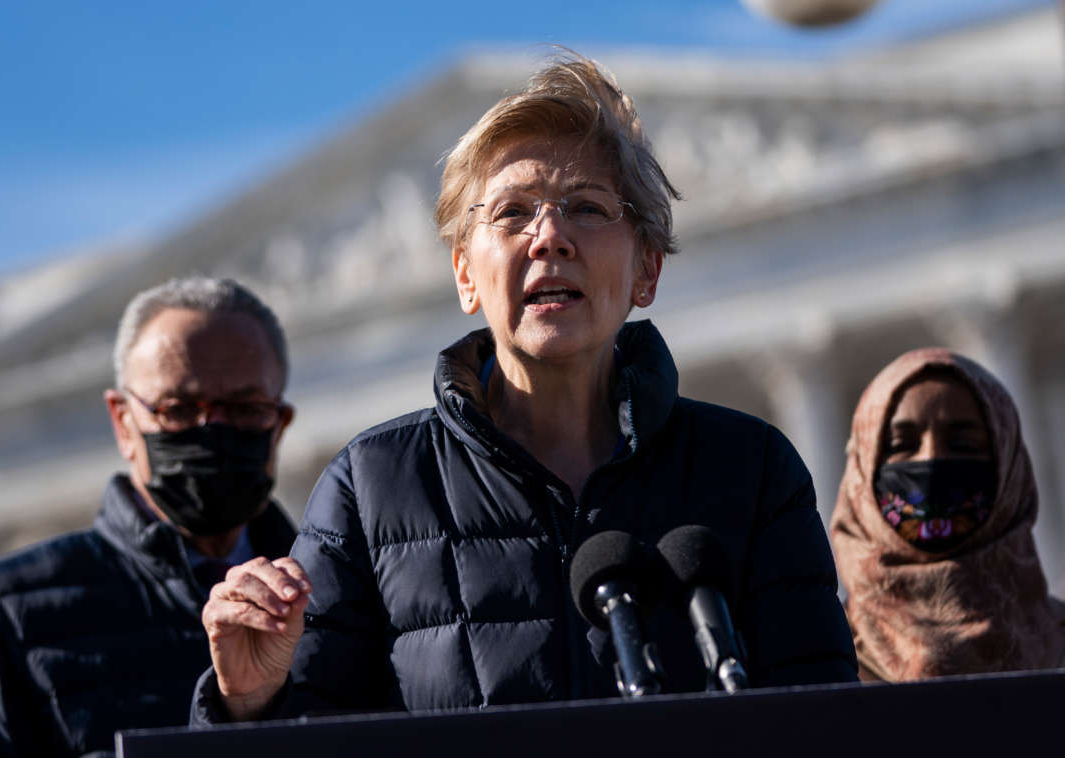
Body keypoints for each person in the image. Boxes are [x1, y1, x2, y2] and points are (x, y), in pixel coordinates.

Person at [193, 53, 857, 724]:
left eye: (588, 207)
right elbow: (308, 734)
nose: (550, 237)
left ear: (646, 271)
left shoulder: (752, 471)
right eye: (512, 213)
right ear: (465, 276)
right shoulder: (370, 489)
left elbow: (831, 726)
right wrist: (246, 703)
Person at [0, 277, 298, 757]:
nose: (211, 430)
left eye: (244, 408)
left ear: (279, 424)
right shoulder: (2, 610)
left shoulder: (339, 595)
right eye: (177, 409)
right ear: (123, 422)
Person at [830, 347, 1065, 681]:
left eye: (964, 443)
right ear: (862, 470)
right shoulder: (817, 658)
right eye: (902, 444)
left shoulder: (1057, 645)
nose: (933, 458)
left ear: (1008, 465)